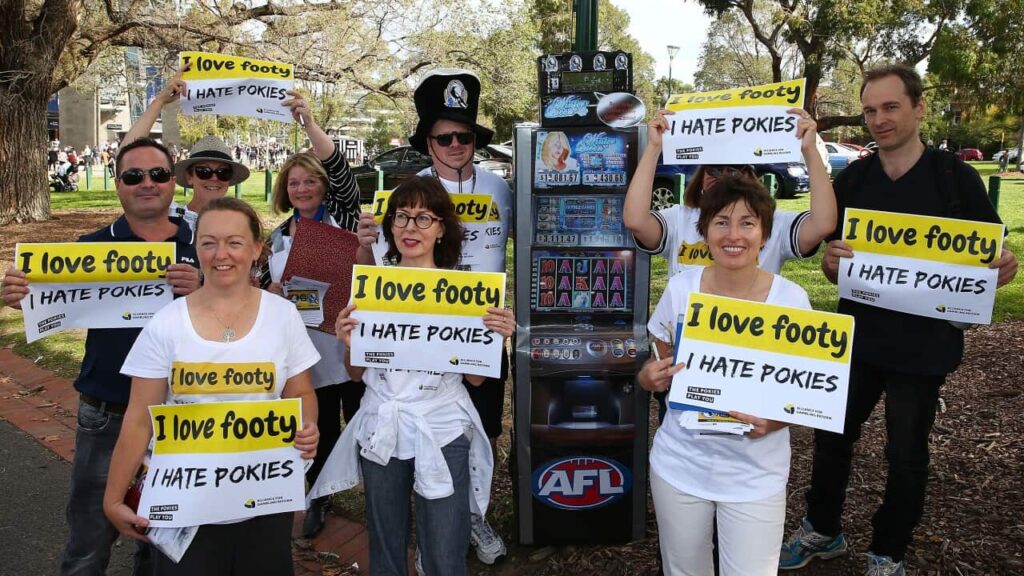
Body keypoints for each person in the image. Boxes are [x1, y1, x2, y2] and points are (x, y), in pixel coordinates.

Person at [780, 64, 1018, 576]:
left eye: (890, 107)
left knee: (905, 454)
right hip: (860, 337)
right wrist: (830, 261)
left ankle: (888, 553)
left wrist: (1003, 266)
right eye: (870, 110)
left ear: (918, 108)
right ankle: (823, 530)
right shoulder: (856, 178)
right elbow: (830, 252)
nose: (879, 120)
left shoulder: (955, 179)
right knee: (831, 438)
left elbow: (992, 257)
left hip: (923, 346)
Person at [1, 137, 202, 575]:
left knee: (163, 543)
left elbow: (243, 312)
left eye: (158, 174)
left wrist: (205, 288)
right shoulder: (87, 248)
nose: (147, 183)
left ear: (174, 183)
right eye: (134, 176)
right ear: (118, 185)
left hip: (184, 416)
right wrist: (22, 296)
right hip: (108, 412)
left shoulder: (204, 247)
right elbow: (47, 300)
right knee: (89, 541)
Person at [102, 197, 321, 573]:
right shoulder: (166, 324)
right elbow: (140, 418)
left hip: (263, 498)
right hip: (184, 504)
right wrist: (112, 497)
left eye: (235, 242)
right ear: (196, 248)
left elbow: (300, 392)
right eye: (208, 242)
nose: (222, 254)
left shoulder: (282, 315)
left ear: (256, 249)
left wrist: (308, 426)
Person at [314, 176, 516, 576]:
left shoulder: (466, 294)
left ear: (442, 228)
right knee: (386, 546)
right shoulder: (372, 289)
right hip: (382, 425)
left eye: (424, 218)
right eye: (402, 217)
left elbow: (475, 382)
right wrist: (349, 341)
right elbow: (356, 374)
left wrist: (493, 338)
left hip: (442, 425)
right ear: (390, 227)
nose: (410, 227)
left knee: (445, 549)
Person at [355, 69, 512, 564]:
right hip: (411, 345)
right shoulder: (405, 196)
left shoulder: (499, 189)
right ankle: (431, 530)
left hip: (475, 328)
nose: (456, 145)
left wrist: (498, 326)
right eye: (445, 137)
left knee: (480, 428)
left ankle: (464, 519)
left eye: (465, 135)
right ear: (428, 141)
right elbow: (377, 276)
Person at [639, 175, 812, 576]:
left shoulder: (792, 300)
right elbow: (660, 351)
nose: (734, 235)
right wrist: (651, 377)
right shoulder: (682, 288)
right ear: (704, 232)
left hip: (755, 474)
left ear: (766, 234)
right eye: (721, 222)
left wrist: (777, 419)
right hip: (680, 465)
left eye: (747, 223)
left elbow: (809, 393)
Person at [256, 90, 365, 538]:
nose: (302, 188)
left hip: (349, 342)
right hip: (305, 351)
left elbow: (341, 169)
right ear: (285, 189)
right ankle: (318, 494)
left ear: (322, 185)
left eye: (310, 181)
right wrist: (271, 287)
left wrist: (308, 123)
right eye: (294, 183)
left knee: (359, 419)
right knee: (315, 425)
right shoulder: (278, 237)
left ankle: (375, 490)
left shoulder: (342, 216)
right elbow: (260, 282)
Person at [625, 108, 836, 280]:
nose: (723, 176)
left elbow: (823, 224)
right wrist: (653, 148)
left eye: (733, 169)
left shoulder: (774, 223)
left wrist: (809, 150)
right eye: (714, 169)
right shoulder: (678, 219)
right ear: (701, 177)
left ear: (749, 176)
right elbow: (636, 221)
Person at [121, 66, 250, 231]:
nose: (214, 178)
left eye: (223, 172)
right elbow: (127, 157)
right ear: (189, 177)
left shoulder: (240, 224)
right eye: (203, 171)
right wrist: (159, 102)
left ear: (230, 179)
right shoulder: (167, 216)